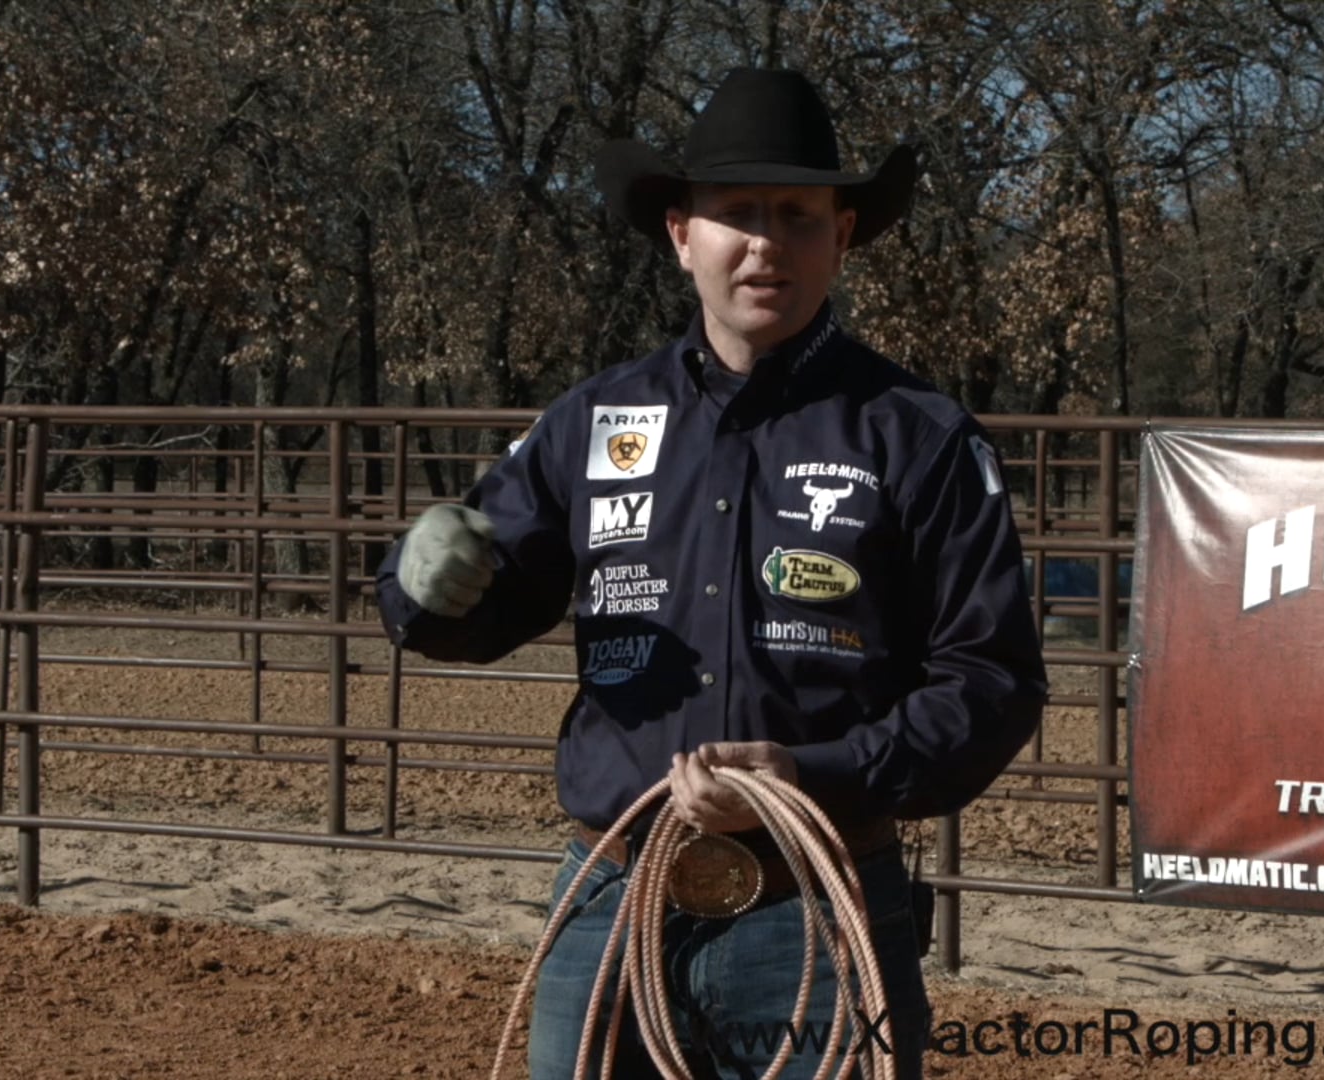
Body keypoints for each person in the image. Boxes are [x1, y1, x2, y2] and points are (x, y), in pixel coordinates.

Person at [375, 67, 1047, 1079]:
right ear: (683, 233)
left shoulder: (919, 440)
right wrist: (424, 587)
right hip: (614, 894)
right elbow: (482, 604)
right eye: (737, 214)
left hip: (820, 909)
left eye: (799, 216)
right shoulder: (593, 426)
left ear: (842, 237)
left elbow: (991, 683)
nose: (767, 243)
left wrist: (814, 777)